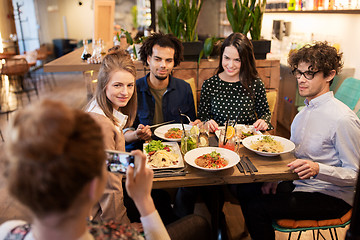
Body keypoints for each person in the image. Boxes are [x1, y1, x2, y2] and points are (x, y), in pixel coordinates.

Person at [235, 42, 360, 240]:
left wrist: (319, 169)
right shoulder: (303, 113)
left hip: (331, 196)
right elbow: (295, 156)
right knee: (246, 189)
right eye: (298, 73)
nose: (301, 80)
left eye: (309, 74)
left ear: (329, 75)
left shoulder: (342, 119)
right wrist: (275, 179)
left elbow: (355, 175)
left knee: (256, 207)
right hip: (301, 184)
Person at [0, 100, 171, 240]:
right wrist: (144, 201)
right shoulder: (122, 236)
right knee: (197, 222)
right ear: (94, 187)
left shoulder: (7, 231)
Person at [85, 48, 150, 228]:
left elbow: (105, 163)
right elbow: (110, 187)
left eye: (130, 85)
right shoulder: (102, 125)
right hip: (95, 217)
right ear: (104, 84)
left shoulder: (97, 106)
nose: (125, 92)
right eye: (117, 85)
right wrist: (124, 227)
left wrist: (133, 162)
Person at [125, 32, 197, 151]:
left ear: (174, 62)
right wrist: (136, 134)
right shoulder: (133, 89)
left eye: (168, 60)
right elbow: (125, 131)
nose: (163, 65)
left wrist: (196, 125)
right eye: (158, 59)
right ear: (148, 59)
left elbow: (191, 124)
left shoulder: (184, 88)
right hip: (142, 151)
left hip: (176, 152)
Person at [198, 32, 272, 132]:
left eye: (237, 60)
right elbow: (202, 117)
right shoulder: (209, 85)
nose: (230, 65)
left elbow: (265, 113)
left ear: (246, 60)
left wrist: (263, 121)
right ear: (221, 56)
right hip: (217, 140)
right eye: (227, 58)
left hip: (247, 140)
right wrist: (207, 122)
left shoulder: (256, 84)